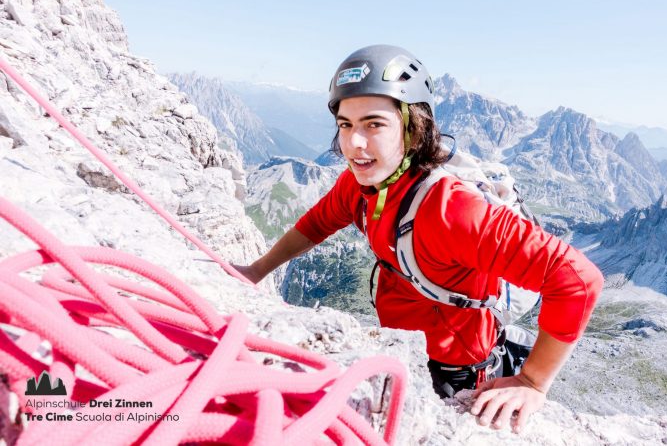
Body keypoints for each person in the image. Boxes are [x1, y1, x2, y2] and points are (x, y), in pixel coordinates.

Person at [234, 45, 604, 433]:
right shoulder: (363, 186)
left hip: (456, 371)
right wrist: (256, 270)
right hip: (406, 347)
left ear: (413, 130)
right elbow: (314, 225)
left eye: (373, 124)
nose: (353, 143)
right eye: (345, 124)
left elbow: (578, 280)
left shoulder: (453, 212)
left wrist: (532, 383)